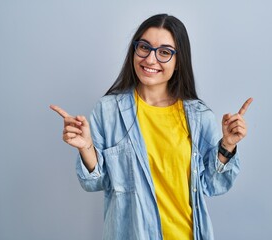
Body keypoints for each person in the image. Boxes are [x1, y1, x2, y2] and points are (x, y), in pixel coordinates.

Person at [50, 13, 253, 240]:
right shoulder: (108, 111)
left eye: (165, 52)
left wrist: (227, 145)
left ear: (178, 62)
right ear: (134, 50)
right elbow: (97, 182)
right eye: (144, 47)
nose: (150, 59)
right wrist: (86, 147)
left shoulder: (199, 116)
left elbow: (212, 185)